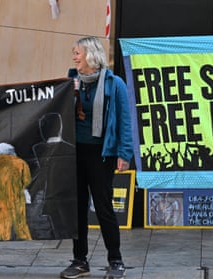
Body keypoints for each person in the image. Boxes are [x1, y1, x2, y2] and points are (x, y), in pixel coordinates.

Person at [60, 36, 133, 279]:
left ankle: (116, 260)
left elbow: (125, 122)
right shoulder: (70, 82)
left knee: (103, 207)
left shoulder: (115, 84)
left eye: (77, 52)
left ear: (91, 55)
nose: (74, 57)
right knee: (77, 208)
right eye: (74, 53)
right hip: (75, 153)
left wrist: (124, 154)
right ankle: (80, 260)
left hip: (101, 154)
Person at [0, 142, 32, 241]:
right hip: (18, 195)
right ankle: (22, 237)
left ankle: (4, 237)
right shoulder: (21, 163)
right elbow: (27, 180)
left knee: (2, 218)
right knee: (20, 219)